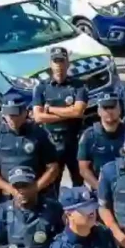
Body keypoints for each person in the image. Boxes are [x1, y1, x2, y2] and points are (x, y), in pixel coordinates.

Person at [0, 166, 64, 248]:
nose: (21, 191)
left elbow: (63, 244)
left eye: (25, 186)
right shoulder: (2, 213)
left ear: (35, 185)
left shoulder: (53, 209)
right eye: (17, 187)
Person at [0, 91, 59, 201]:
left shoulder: (39, 133)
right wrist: (10, 189)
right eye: (8, 114)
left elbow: (53, 168)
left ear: (25, 112)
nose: (11, 118)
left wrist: (34, 188)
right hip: (9, 196)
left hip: (39, 193)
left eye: (15, 114)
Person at [31, 47, 87, 187]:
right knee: (52, 184)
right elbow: (38, 117)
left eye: (61, 61)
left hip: (74, 141)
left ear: (67, 63)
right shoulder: (41, 88)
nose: (59, 65)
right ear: (50, 64)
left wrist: (50, 109)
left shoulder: (78, 86)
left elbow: (78, 112)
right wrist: (68, 112)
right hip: (51, 143)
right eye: (55, 61)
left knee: (78, 182)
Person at [77, 91, 125, 189]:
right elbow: (83, 169)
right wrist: (101, 188)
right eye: (105, 108)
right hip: (99, 188)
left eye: (112, 107)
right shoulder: (89, 136)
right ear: (99, 111)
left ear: (119, 109)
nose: (109, 112)